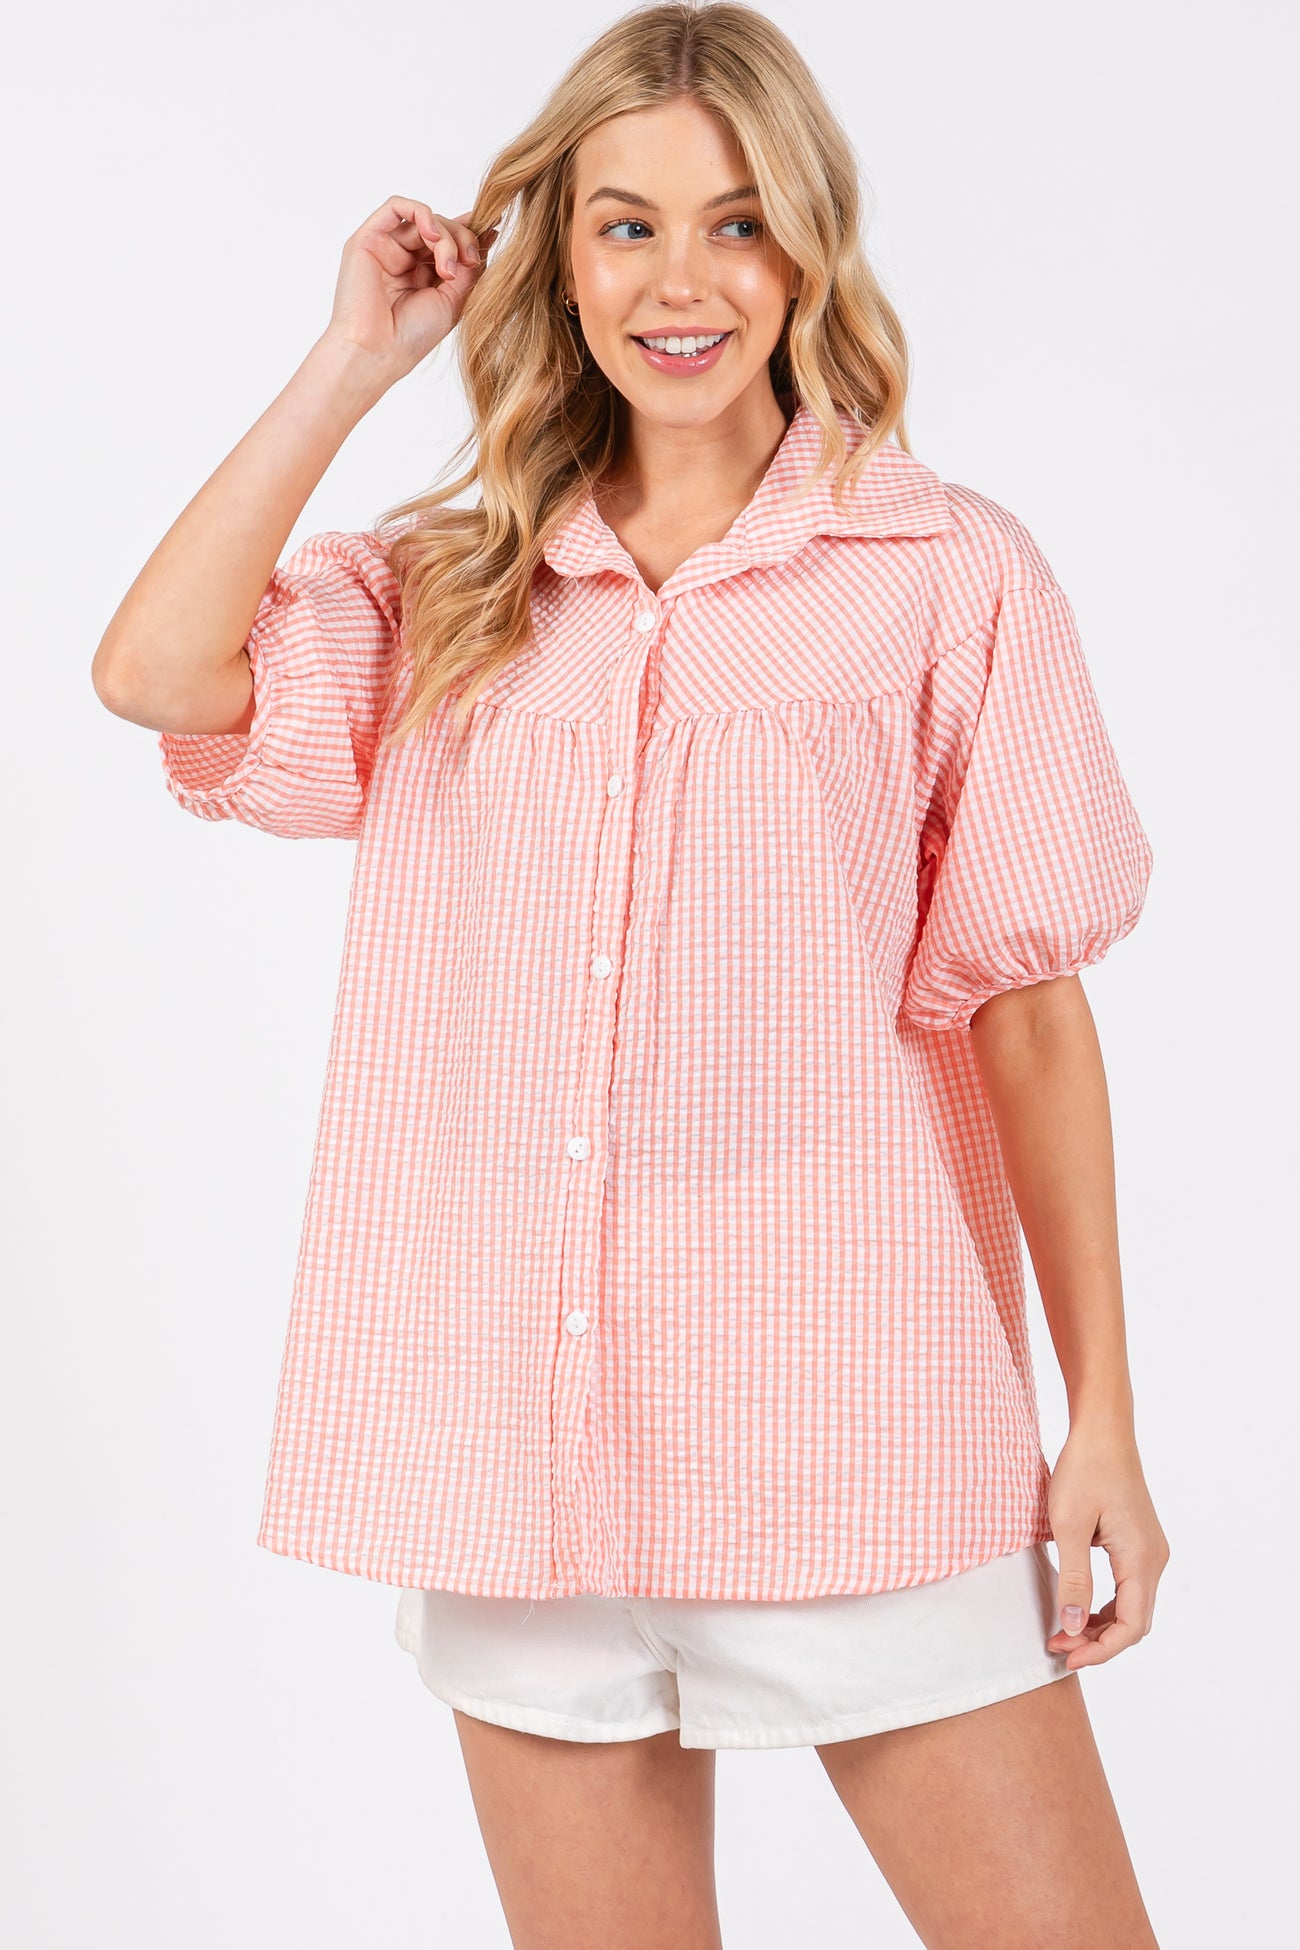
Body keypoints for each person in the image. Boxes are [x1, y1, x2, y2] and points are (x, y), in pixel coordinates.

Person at [92, 4, 1169, 1944]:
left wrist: (1097, 1418)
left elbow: (1027, 1012)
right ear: (559, 258)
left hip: (853, 1432)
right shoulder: (450, 590)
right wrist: (354, 360)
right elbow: (159, 675)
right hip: (522, 1462)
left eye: (738, 224)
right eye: (627, 226)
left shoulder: (947, 574)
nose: (685, 283)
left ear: (808, 250)